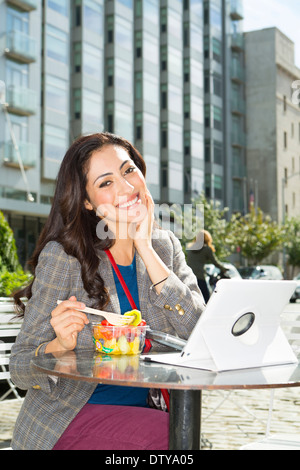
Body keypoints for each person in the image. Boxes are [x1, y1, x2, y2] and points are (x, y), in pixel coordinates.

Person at [10, 132, 205, 450]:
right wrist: (58, 345)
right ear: (87, 201)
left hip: (147, 412)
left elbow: (201, 333)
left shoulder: (165, 247)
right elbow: (19, 367)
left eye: (129, 171)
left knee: (179, 432)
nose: (127, 188)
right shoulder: (66, 256)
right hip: (70, 419)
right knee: (171, 436)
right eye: (105, 183)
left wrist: (145, 247)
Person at [186, 230, 228, 304]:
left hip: (189, 275)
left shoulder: (191, 248)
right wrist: (223, 269)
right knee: (206, 298)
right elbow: (215, 262)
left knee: (192, 298)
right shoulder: (206, 249)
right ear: (207, 238)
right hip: (200, 276)